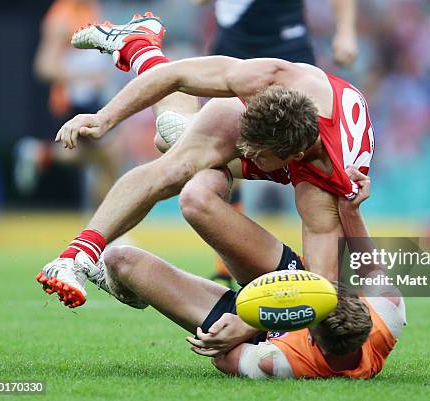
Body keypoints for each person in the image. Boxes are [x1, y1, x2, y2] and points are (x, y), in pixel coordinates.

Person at [36, 13, 374, 308]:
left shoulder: (326, 185)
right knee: (175, 167)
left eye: (254, 153)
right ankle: (74, 257)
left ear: (292, 159)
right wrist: (105, 117)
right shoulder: (271, 76)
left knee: (171, 140)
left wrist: (256, 320)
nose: (241, 149)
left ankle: (139, 46)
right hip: (286, 121)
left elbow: (323, 287)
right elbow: (176, 76)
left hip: (318, 153)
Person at [40, 165, 404, 379]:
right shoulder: (386, 314)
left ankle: (124, 285)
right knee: (196, 200)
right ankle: (209, 156)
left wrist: (243, 327)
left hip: (256, 332)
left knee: (121, 259)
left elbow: (221, 357)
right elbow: (368, 264)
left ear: (311, 336)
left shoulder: (278, 361)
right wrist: (352, 208)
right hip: (288, 276)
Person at [188, 0, 360, 286]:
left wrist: (346, 31)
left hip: (288, 46)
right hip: (235, 45)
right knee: (222, 151)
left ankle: (331, 273)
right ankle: (227, 263)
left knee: (311, 159)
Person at [15, 0, 120, 208]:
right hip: (73, 100)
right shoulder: (61, 17)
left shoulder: (90, 8)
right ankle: (105, 226)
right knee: (112, 154)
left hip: (91, 98)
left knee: (101, 156)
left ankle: (40, 153)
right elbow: (44, 67)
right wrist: (86, 77)